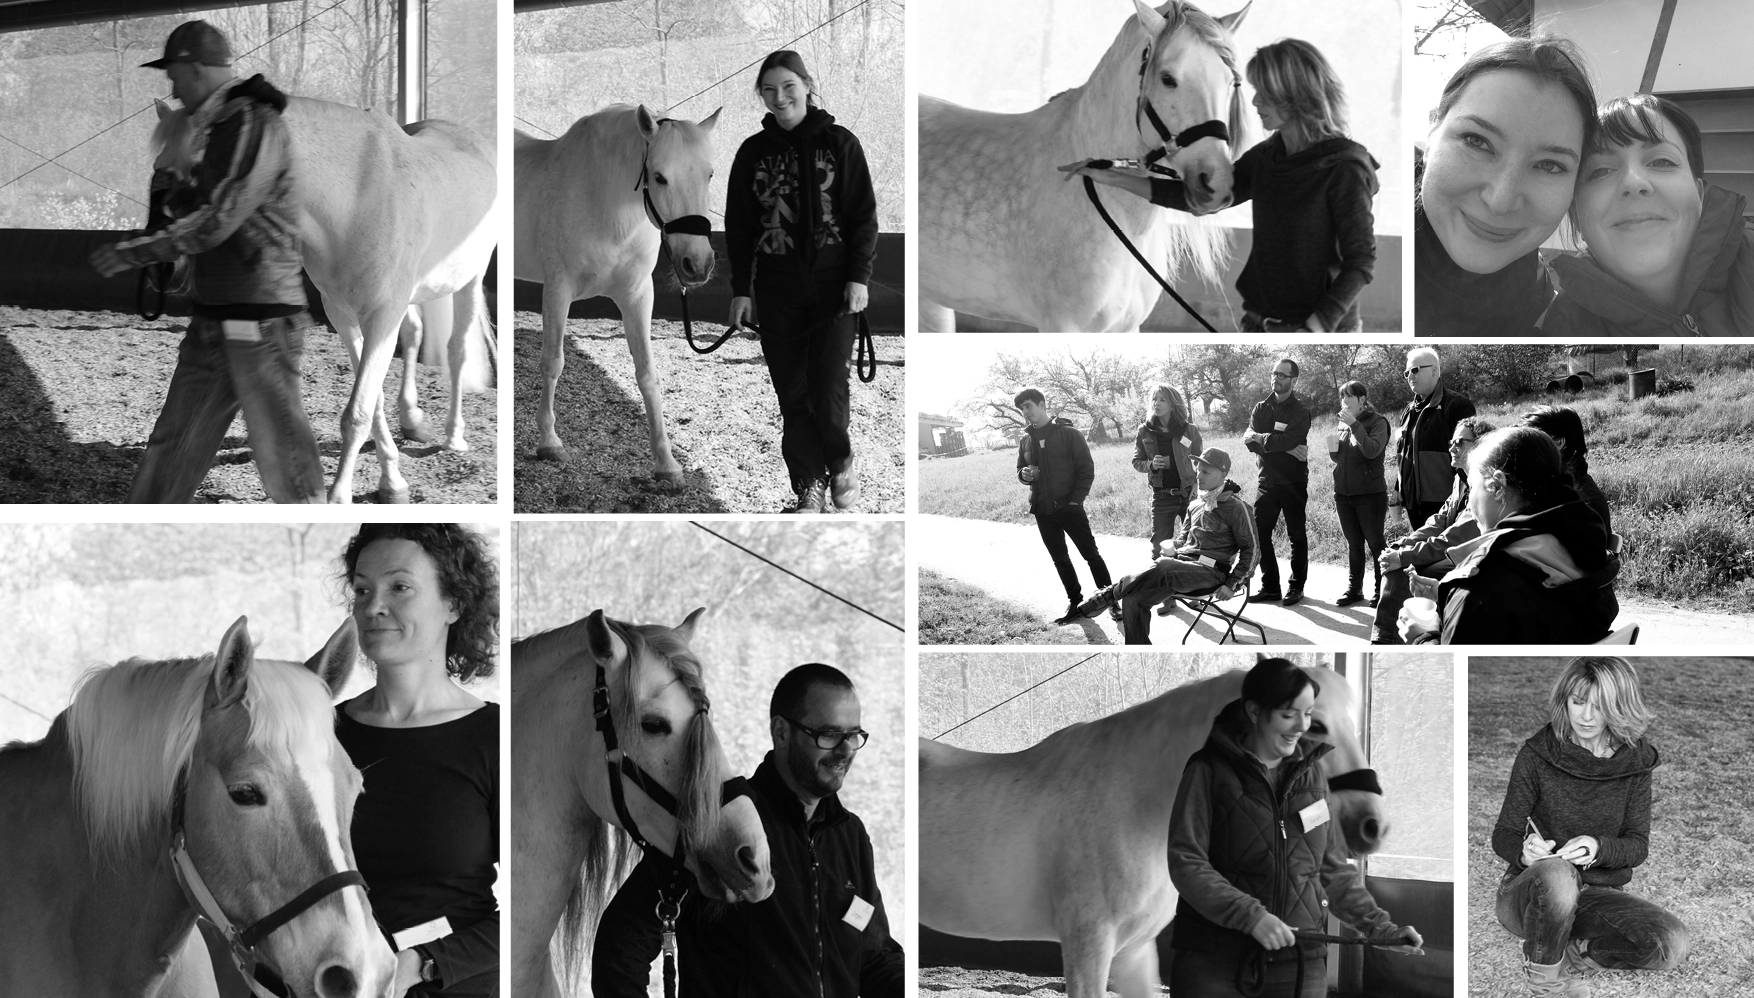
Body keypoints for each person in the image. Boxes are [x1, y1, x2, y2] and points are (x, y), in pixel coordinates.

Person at [89, 20, 325, 504]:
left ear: (195, 69)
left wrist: (137, 250)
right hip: (218, 317)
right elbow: (205, 203)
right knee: (170, 451)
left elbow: (217, 218)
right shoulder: (222, 129)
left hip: (259, 322)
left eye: (173, 75)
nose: (171, 88)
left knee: (287, 468)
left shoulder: (252, 125)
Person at [590, 663, 908, 998]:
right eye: (829, 735)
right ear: (781, 732)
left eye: (853, 735)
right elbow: (620, 951)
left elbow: (874, 958)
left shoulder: (850, 834)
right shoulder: (718, 824)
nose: (845, 750)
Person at [1066, 38, 1379, 335]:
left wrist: (1317, 325)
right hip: (1256, 322)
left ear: (1294, 95)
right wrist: (1113, 178)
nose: (1254, 102)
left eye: (1264, 93)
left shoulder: (1345, 167)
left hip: (1323, 330)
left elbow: (1360, 262)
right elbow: (1203, 199)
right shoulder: (1268, 155)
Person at [1167, 659, 1423, 996]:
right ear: (1255, 712)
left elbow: (1331, 870)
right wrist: (1250, 917)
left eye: (1308, 714)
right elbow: (1186, 861)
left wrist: (1381, 929)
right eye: (1289, 714)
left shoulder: (1313, 778)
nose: (1301, 726)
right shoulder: (1207, 771)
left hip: (1300, 965)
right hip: (1214, 963)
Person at [333, 521, 503, 996]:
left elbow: (540, 902)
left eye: (399, 587)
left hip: (456, 981)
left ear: (454, 604)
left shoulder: (498, 737)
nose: (373, 606)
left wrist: (424, 963)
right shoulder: (319, 735)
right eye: (362, 590)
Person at [726, 50, 879, 515]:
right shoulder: (752, 153)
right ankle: (808, 484)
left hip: (835, 289)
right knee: (791, 394)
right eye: (769, 90)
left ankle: (841, 461)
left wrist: (859, 278)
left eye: (788, 86)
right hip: (776, 289)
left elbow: (862, 217)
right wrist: (740, 289)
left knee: (828, 388)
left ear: (807, 86)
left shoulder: (841, 143)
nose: (779, 97)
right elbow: (740, 227)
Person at [1490, 657, 1689, 996]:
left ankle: (1579, 955)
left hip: (1596, 896)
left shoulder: (1635, 763)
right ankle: (1545, 981)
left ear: (1619, 706)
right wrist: (1524, 855)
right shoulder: (1537, 755)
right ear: (1564, 700)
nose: (1585, 716)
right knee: (1556, 873)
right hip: (1529, 899)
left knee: (1671, 943)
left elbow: (1637, 845)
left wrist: (1598, 847)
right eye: (1577, 702)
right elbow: (1504, 833)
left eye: (1598, 707)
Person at [1411, 37, 1597, 341]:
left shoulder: (1544, 307)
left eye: (1549, 165)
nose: (1501, 201)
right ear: (1432, 130)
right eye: (1476, 141)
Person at [1543, 94, 1754, 342]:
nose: (1633, 182)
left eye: (1662, 161)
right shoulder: (1563, 329)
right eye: (1600, 170)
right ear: (1576, 217)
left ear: (1699, 196)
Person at [1400, 427, 1619, 647]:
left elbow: (1454, 678)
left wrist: (1423, 638)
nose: (1469, 502)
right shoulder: (1585, 549)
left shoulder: (1480, 592)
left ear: (1497, 486)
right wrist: (1448, 598)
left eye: (1473, 485)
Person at [1062, 447, 1258, 648]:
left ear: (1223, 474)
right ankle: (1138, 652)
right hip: (1181, 567)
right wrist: (1173, 546)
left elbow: (1252, 550)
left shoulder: (1237, 507)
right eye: (1198, 469)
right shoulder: (1196, 504)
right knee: (1133, 598)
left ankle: (1109, 594)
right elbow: (1184, 540)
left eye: (1206, 472)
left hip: (1213, 572)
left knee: (1164, 564)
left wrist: (1232, 584)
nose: (1199, 475)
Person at [1371, 415, 1494, 647]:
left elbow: (1454, 538)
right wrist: (1406, 543)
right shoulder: (1461, 479)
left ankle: (1386, 642)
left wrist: (1404, 556)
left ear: (1480, 445)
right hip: (1455, 551)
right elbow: (1440, 520)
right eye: (1451, 442)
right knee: (1401, 558)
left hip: (1471, 558)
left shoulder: (1483, 484)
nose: (1452, 447)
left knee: (1404, 567)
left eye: (1460, 442)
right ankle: (1393, 639)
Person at [1015, 386, 1112, 622]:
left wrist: (1074, 501)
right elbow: (1019, 469)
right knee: (1060, 560)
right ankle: (1075, 603)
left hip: (1070, 507)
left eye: (1028, 406)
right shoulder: (1026, 440)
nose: (1025, 412)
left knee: (1091, 556)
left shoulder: (1069, 434)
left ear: (1042, 405)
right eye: (1021, 409)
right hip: (1042, 510)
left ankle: (1111, 601)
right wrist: (1023, 475)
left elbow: (1086, 470)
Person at [1243, 357, 1311, 606]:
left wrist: (1264, 439)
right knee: (1260, 535)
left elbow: (1285, 439)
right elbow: (1251, 444)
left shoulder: (1301, 411)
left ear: (1293, 380)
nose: (1276, 378)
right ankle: (1270, 587)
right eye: (1274, 374)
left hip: (1293, 482)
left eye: (1282, 375)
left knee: (1297, 537)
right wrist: (1281, 445)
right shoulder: (1261, 407)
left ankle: (1296, 587)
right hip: (1267, 482)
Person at [1395, 346, 1476, 530]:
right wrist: (1398, 489)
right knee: (1422, 555)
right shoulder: (1408, 411)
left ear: (1433, 370)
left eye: (1415, 370)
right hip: (1413, 505)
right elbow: (1403, 454)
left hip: (1446, 504)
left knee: (1445, 557)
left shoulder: (1457, 405)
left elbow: (1470, 456)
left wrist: (1464, 499)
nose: (1410, 376)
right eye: (1406, 372)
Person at [1327, 381, 1389, 607]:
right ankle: (1355, 590)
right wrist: (1333, 448)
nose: (1344, 401)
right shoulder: (1343, 424)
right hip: (1344, 494)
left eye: (1349, 397)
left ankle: (1382, 591)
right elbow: (1340, 458)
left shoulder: (1378, 421)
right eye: (1342, 397)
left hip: (1370, 494)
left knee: (1375, 543)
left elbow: (1372, 450)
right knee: (1354, 544)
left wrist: (1354, 425)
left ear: (1362, 399)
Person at [1131, 385, 1204, 560]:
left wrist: (1196, 484)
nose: (1157, 403)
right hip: (1162, 497)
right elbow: (1136, 462)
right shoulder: (1144, 430)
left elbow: (1201, 460)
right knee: (1159, 549)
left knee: (1195, 544)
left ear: (1173, 404)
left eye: (1162, 399)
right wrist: (1150, 464)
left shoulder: (1189, 430)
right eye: (1154, 399)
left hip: (1188, 494)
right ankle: (1161, 584)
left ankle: (1189, 581)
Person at [1521, 405, 1611, 531]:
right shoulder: (1550, 482)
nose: (1526, 448)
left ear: (1558, 442)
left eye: (1534, 439)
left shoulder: (1580, 499)